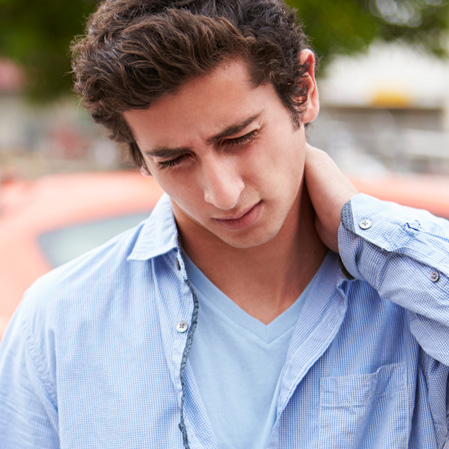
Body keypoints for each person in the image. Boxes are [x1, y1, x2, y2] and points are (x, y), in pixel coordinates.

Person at [1, 0, 449, 447]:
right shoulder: (58, 325)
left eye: (239, 138)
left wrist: (366, 229)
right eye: (174, 159)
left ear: (305, 89)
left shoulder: (413, 300)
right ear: (138, 156)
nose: (223, 193)